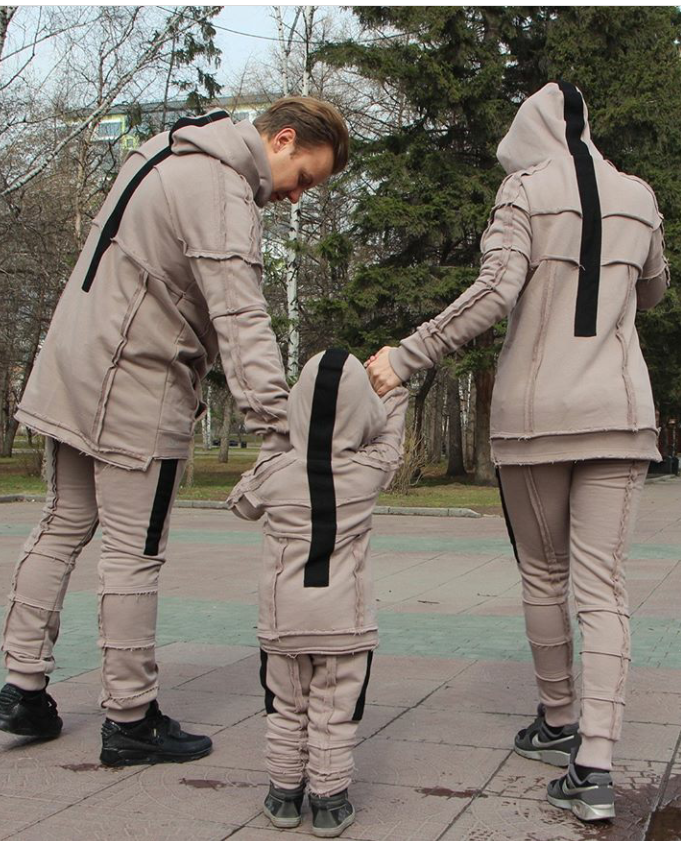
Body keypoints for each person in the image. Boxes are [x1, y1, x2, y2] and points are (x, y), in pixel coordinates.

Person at [0, 97, 349, 768]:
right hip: (136, 384)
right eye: (304, 177)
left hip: (72, 366)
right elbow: (241, 317)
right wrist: (280, 432)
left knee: (61, 524)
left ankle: (22, 688)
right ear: (281, 140)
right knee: (134, 551)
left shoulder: (162, 150)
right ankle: (130, 718)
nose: (296, 196)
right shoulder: (220, 188)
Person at [366, 81, 669, 822]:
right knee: (604, 587)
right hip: (619, 410)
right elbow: (653, 291)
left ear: (527, 134)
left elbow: (496, 289)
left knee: (544, 573)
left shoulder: (523, 191)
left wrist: (406, 355)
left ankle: (557, 718)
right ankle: (594, 765)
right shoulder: (640, 196)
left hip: (536, 416)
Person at [227, 349, 408, 838]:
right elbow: (391, 437)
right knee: (335, 713)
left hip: (284, 622)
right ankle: (329, 801)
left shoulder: (276, 472)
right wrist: (392, 392)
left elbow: (241, 505)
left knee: (286, 709)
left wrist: (278, 438)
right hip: (345, 623)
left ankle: (284, 795)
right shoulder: (370, 470)